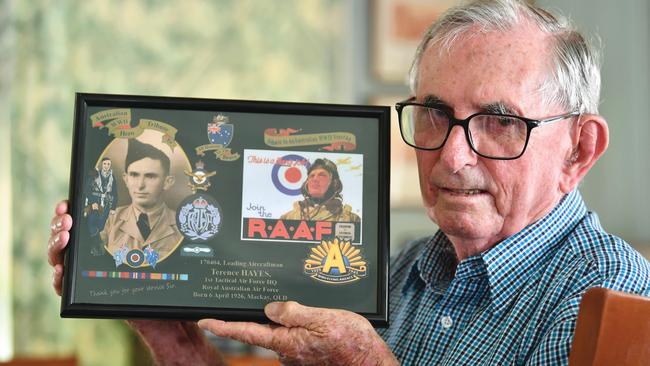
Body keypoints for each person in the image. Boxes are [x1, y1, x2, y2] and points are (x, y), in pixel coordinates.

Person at [48, 1, 650, 364]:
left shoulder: (613, 297)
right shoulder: (392, 270)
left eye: (499, 122)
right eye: (435, 113)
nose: (453, 155)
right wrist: (171, 337)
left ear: (579, 148)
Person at [101, 138, 182, 262]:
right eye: (134, 175)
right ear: (126, 179)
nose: (140, 185)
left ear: (167, 182)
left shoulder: (183, 226)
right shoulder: (108, 220)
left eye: (150, 176)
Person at [280, 158, 360, 222]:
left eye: (322, 175)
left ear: (334, 183)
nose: (315, 179)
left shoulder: (351, 219)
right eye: (311, 176)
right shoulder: (287, 218)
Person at [83, 157, 118, 255]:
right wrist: (91, 202)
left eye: (108, 164)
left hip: (105, 205)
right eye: (104, 164)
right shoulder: (94, 174)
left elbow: (115, 193)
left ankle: (97, 248)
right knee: (91, 225)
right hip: (94, 203)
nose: (106, 166)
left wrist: (113, 207)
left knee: (101, 226)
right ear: (102, 165)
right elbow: (87, 190)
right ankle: (96, 247)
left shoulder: (112, 177)